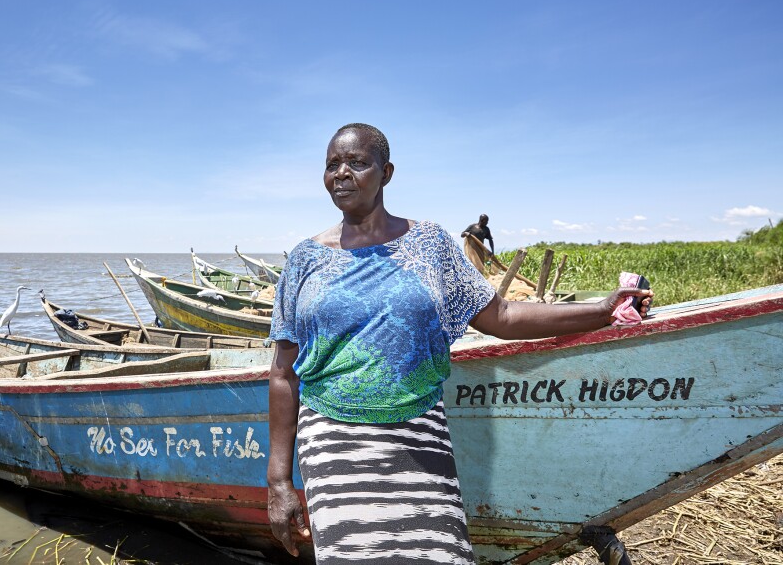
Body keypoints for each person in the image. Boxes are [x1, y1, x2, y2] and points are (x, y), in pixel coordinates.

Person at [267, 123, 652, 564]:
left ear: (386, 172)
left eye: (357, 162)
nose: (342, 173)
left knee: (442, 555)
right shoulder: (305, 259)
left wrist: (603, 310)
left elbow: (501, 317)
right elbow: (282, 373)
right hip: (334, 439)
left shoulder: (430, 244)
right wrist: (279, 482)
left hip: (419, 433)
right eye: (332, 164)